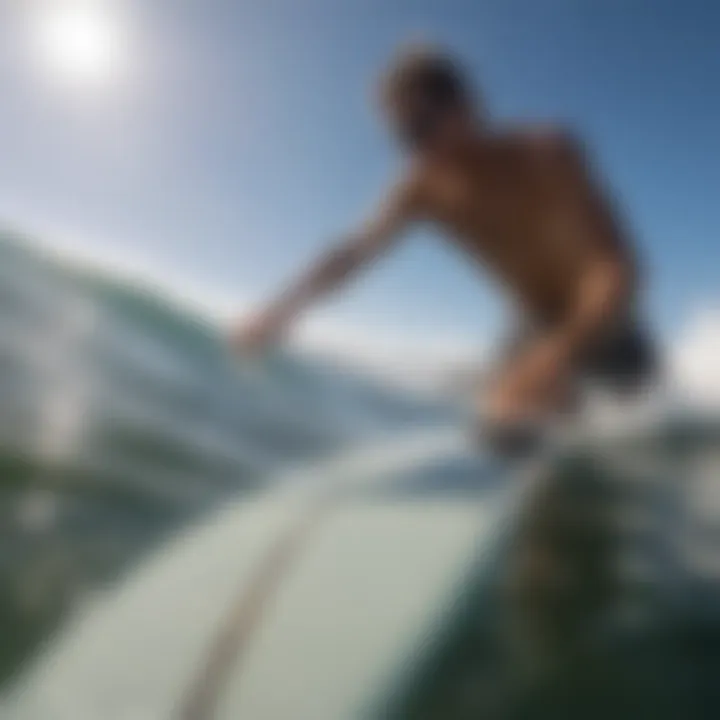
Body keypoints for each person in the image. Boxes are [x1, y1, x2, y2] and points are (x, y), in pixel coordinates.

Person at [233, 45, 655, 451]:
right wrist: (280, 311)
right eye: (401, 137)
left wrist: (559, 354)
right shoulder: (421, 188)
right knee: (501, 433)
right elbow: (353, 252)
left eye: (421, 127)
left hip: (604, 315)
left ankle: (582, 409)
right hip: (532, 322)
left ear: (466, 106)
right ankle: (554, 425)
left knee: (636, 427)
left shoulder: (547, 154)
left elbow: (617, 266)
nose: (415, 148)